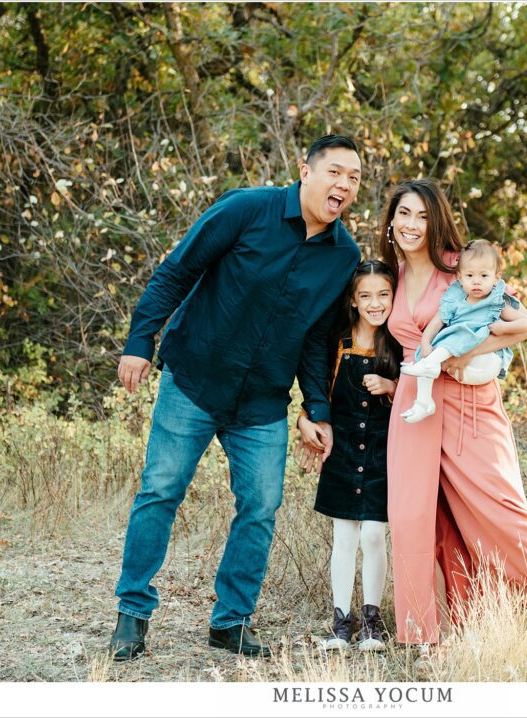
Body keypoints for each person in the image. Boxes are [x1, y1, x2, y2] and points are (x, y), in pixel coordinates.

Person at [108, 135, 363, 661]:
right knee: (160, 491)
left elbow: (317, 337)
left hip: (263, 401)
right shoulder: (247, 208)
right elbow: (177, 270)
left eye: (354, 178)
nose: (344, 184)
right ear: (306, 171)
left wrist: (316, 408)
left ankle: (231, 621)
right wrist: (140, 341)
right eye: (335, 172)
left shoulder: (344, 256)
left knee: (261, 506)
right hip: (195, 380)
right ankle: (132, 614)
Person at [378, 178, 527, 649]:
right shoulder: (391, 275)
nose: (412, 224)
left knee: (502, 512)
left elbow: (525, 326)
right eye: (404, 213)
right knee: (414, 518)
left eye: (423, 215)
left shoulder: (462, 270)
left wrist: (466, 352)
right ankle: (428, 634)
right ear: (391, 220)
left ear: (437, 221)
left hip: (469, 405)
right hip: (414, 404)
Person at [296, 259, 400, 651]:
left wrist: (392, 386)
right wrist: (305, 420)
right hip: (342, 452)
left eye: (383, 294)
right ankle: (341, 622)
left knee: (373, 535)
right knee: (344, 537)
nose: (375, 303)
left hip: (381, 453)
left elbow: (417, 393)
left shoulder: (398, 342)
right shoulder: (338, 342)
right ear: (353, 300)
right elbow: (319, 391)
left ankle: (372, 621)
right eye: (366, 296)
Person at [400, 239, 527, 423]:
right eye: (470, 275)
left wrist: (503, 327)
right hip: (457, 367)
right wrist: (425, 343)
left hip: (485, 363)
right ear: (459, 277)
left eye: (484, 276)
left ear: (496, 278)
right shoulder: (455, 297)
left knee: (460, 333)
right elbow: (437, 321)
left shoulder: (495, 301)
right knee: (429, 352)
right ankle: (423, 402)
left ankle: (430, 364)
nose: (476, 281)